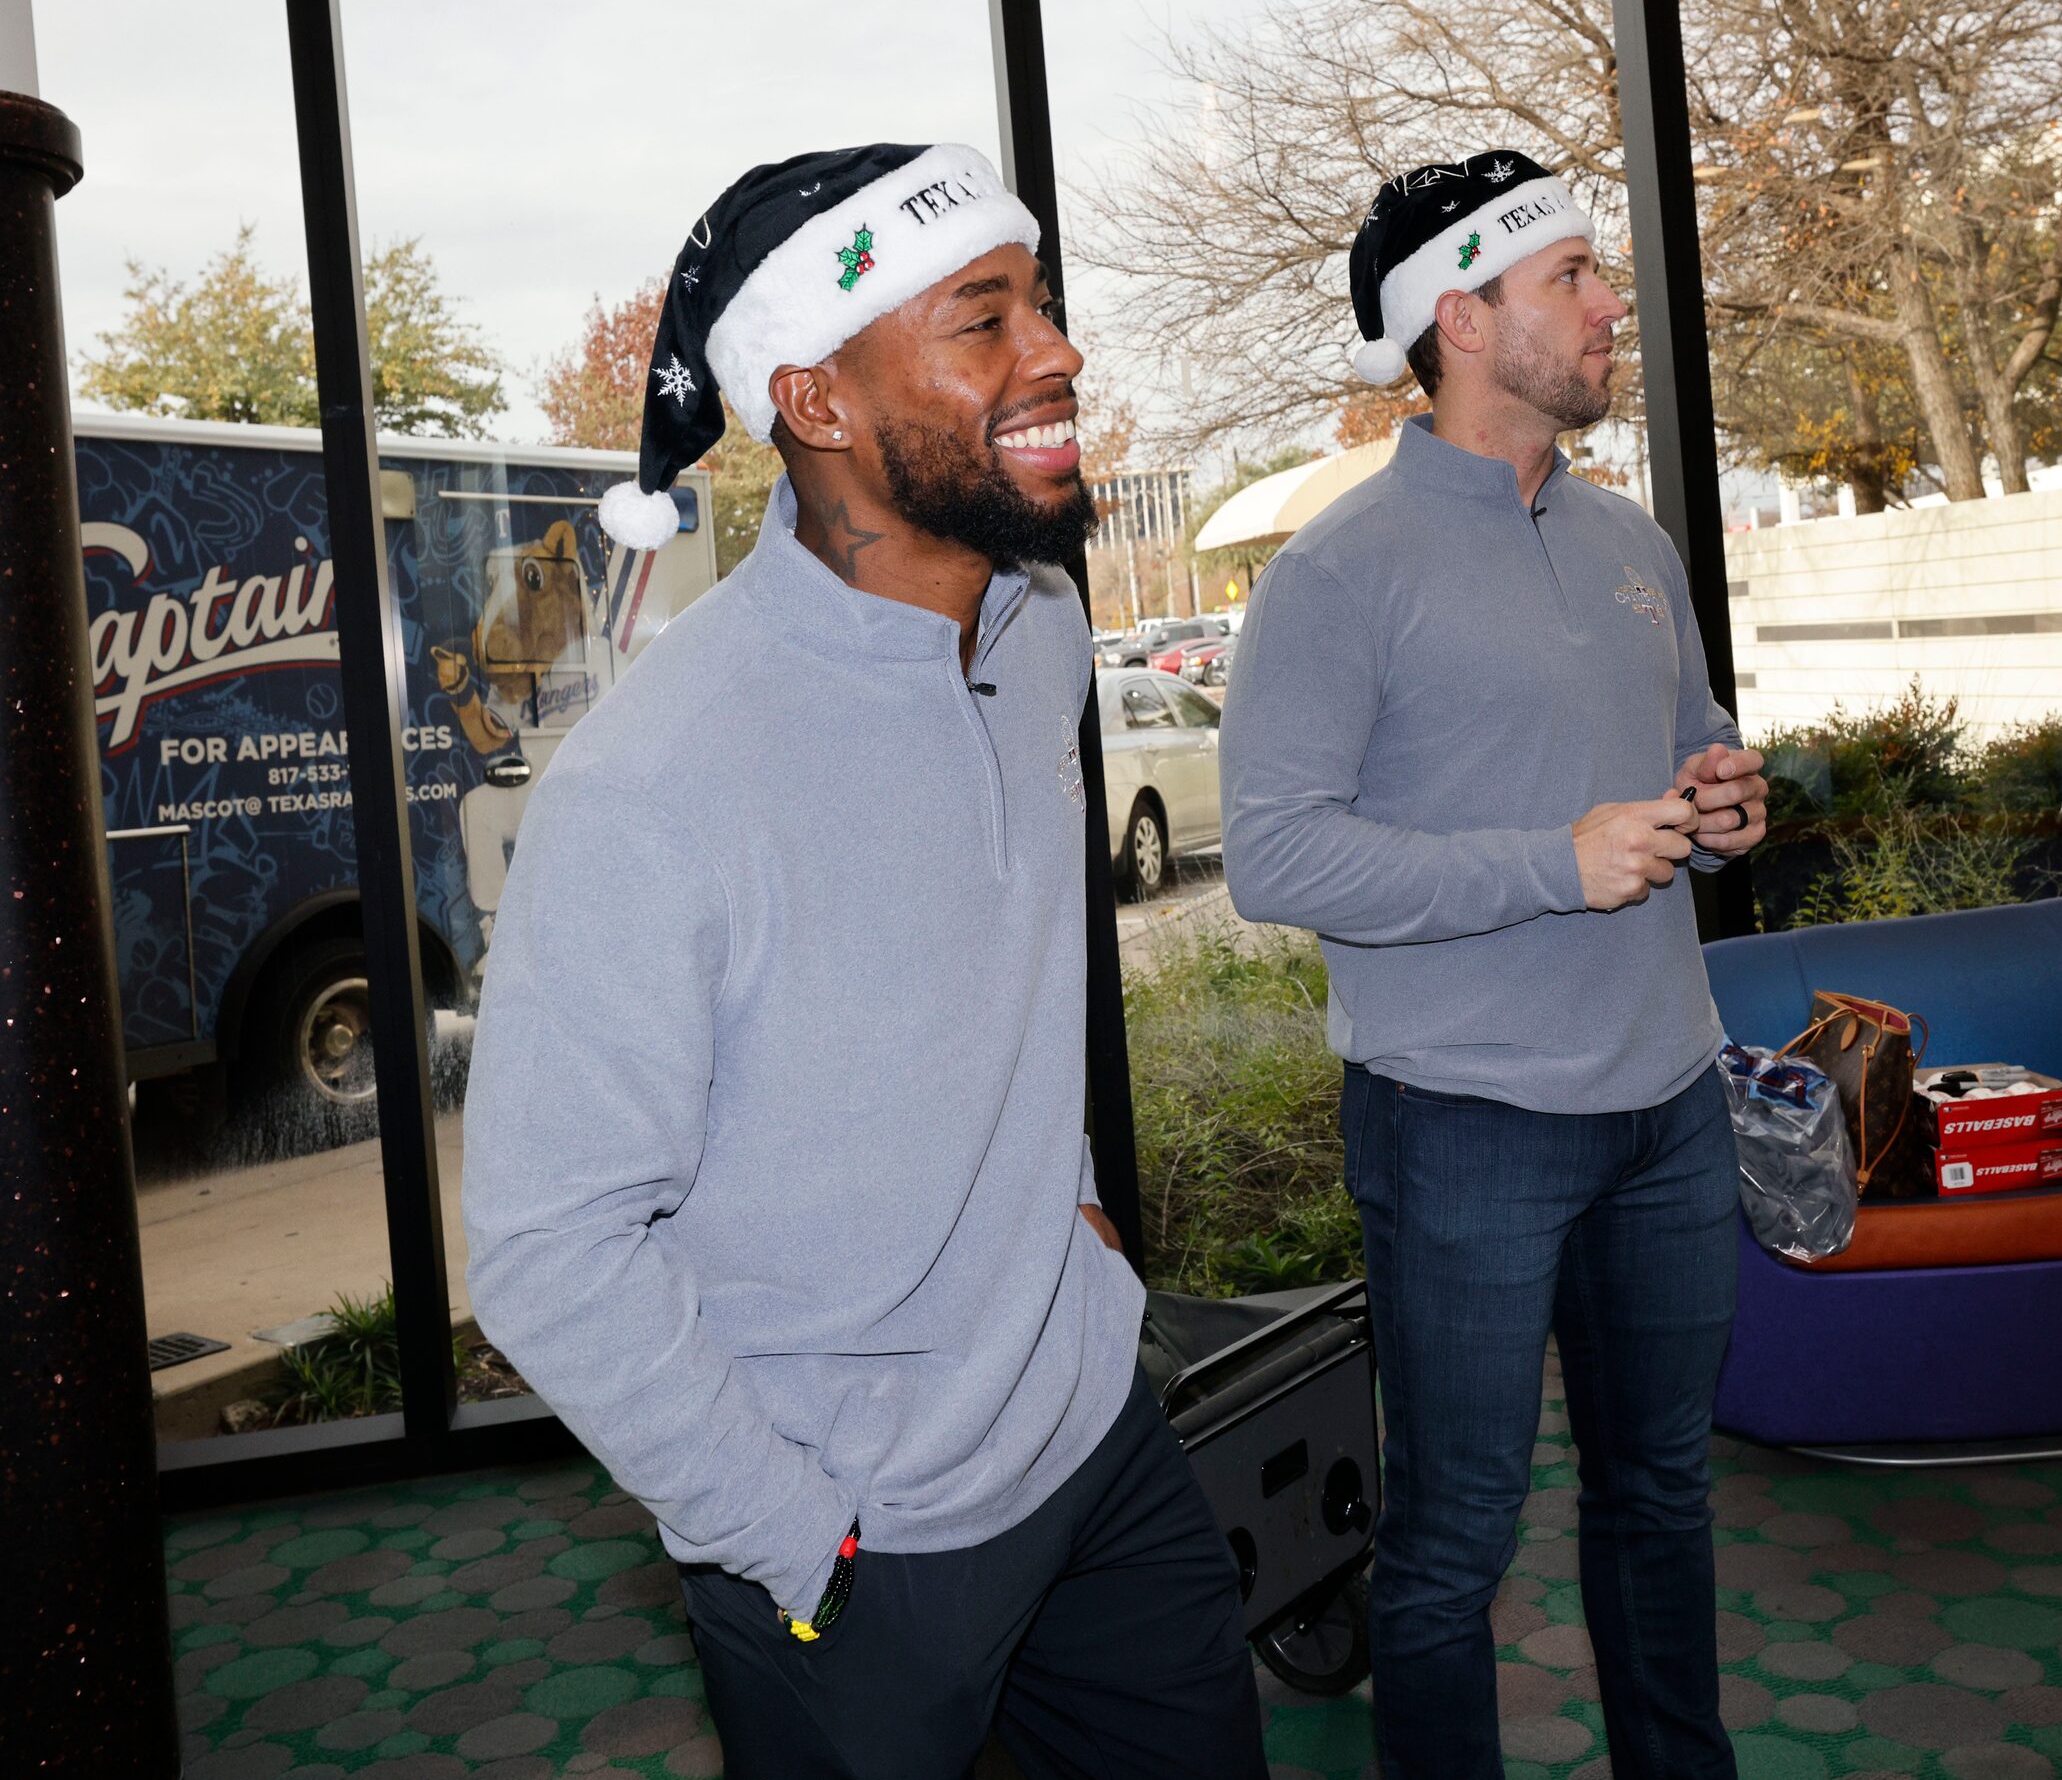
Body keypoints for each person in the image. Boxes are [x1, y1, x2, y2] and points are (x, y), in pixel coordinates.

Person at [462, 143, 1267, 1780]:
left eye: (1038, 303)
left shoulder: (1036, 626)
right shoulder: (653, 785)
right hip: (858, 1540)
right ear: (817, 404)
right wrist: (795, 1536)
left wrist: (1077, 1218)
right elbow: (549, 1246)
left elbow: (1002, 990)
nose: (1056, 352)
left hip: (1095, 1439)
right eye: (983, 320)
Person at [1220, 148, 1768, 1780]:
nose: (1611, 308)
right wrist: (1556, 858)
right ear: (1459, 317)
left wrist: (1726, 793)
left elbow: (1688, 744)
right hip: (1462, 1124)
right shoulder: (1336, 572)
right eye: (1573, 280)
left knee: (1660, 1494)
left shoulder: (1627, 538)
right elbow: (1277, 859)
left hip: (1668, 1103)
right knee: (1453, 1539)